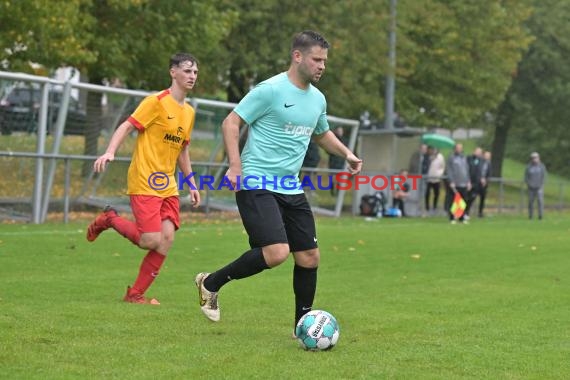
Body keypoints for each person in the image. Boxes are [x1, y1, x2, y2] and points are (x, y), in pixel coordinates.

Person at [193, 31, 362, 332]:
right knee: (277, 253)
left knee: (309, 257)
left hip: (290, 187)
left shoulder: (318, 99)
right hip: (256, 181)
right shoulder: (270, 90)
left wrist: (346, 153)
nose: (322, 66)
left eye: (325, 61)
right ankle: (211, 283)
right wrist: (235, 165)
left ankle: (303, 326)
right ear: (298, 56)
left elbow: (321, 133)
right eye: (317, 59)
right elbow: (231, 122)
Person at [86, 53, 201, 305]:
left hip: (168, 185)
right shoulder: (156, 102)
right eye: (187, 70)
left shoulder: (189, 112)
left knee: (167, 239)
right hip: (145, 179)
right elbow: (127, 126)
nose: (192, 75)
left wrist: (191, 183)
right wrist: (110, 151)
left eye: (195, 72)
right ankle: (110, 219)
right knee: (150, 240)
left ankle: (135, 295)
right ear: (173, 72)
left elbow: (183, 150)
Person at [446, 143, 471, 223]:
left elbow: (467, 170)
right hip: (455, 183)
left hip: (464, 183)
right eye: (458, 148)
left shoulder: (464, 157)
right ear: (455, 149)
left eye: (461, 148)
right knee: (454, 201)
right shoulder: (451, 158)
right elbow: (449, 170)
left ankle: (461, 217)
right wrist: (451, 181)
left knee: (463, 201)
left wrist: (468, 181)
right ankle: (452, 217)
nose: (459, 149)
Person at [524, 152, 547, 220]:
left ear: (538, 158)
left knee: (540, 201)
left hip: (539, 187)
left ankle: (540, 215)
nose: (534, 159)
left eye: (535, 158)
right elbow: (526, 177)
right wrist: (529, 184)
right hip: (531, 187)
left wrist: (541, 184)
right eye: (533, 158)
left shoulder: (542, 166)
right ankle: (530, 215)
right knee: (530, 202)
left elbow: (544, 176)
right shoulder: (528, 167)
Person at [328, 126, 348, 195]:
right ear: (336, 131)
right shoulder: (333, 140)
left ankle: (338, 192)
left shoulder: (345, 141)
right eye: (339, 131)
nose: (340, 132)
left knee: (340, 178)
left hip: (341, 162)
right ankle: (332, 191)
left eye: (341, 131)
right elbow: (328, 149)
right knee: (332, 177)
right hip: (333, 162)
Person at [425, 146, 445, 214]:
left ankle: (434, 207)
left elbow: (442, 167)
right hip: (428, 178)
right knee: (427, 193)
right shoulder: (428, 157)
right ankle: (427, 207)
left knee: (436, 193)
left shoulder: (440, 157)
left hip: (436, 178)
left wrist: (439, 174)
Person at [465, 147, 484, 219]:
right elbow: (466, 169)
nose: (479, 153)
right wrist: (467, 180)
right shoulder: (469, 158)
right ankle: (459, 212)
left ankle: (466, 212)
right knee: (465, 197)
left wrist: (481, 178)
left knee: (472, 197)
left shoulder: (480, 160)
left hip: (476, 183)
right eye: (478, 151)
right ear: (474, 151)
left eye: (480, 152)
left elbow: (480, 171)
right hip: (468, 181)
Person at [478, 151, 492, 217]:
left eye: (488, 156)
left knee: (482, 198)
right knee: (471, 197)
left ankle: (480, 212)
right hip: (477, 182)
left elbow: (489, 174)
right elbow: (477, 171)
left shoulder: (489, 163)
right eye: (486, 155)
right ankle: (466, 211)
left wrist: (486, 181)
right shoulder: (480, 162)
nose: (487, 157)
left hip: (484, 184)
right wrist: (480, 178)